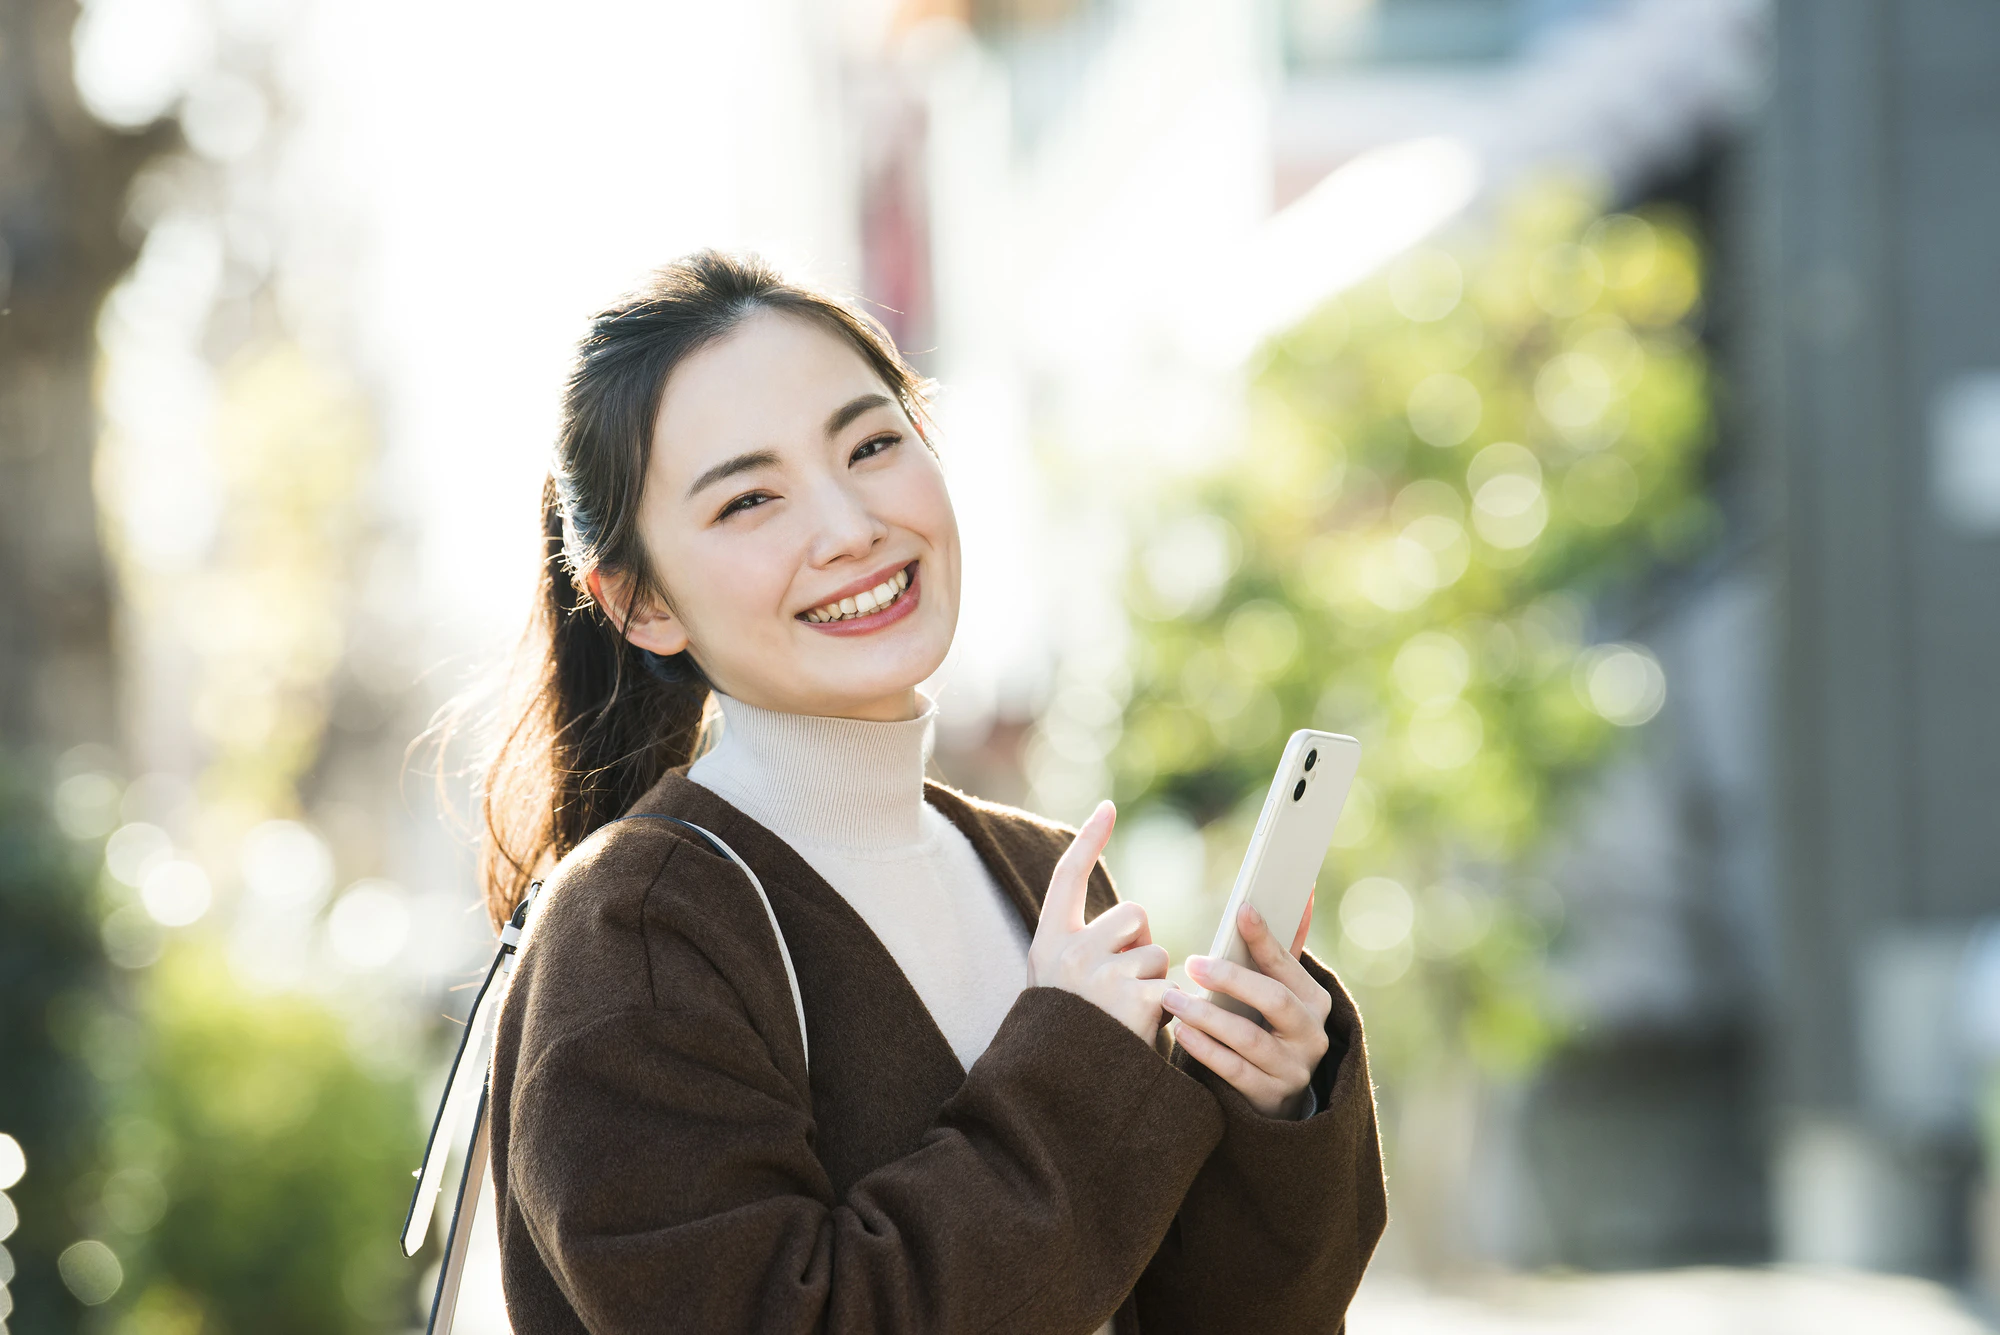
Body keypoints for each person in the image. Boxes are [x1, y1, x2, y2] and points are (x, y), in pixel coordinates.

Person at [475, 249, 1386, 1333]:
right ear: (638, 603)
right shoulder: (636, 932)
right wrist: (1078, 1072)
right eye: (750, 499)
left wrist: (1268, 1105)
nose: (850, 526)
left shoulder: (1042, 876)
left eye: (871, 444)